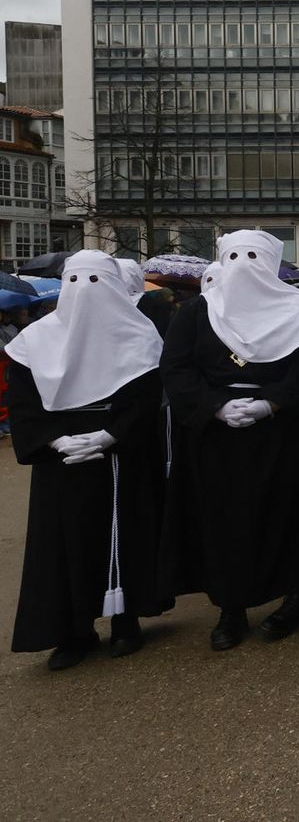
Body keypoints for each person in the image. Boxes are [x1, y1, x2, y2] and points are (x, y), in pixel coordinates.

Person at [159, 231, 299, 650]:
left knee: (284, 513)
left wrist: (271, 403)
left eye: (253, 255)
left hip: (280, 430)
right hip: (216, 435)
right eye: (233, 255)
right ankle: (230, 607)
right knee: (223, 519)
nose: (243, 263)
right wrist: (215, 405)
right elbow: (177, 369)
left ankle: (293, 598)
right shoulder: (197, 312)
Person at [5, 251, 168, 670]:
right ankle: (73, 631)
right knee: (64, 543)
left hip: (119, 455)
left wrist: (110, 434)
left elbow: (146, 398)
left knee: (124, 533)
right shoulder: (34, 341)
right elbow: (24, 404)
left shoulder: (138, 334)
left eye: (95, 280)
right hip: (62, 461)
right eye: (75, 281)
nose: (85, 291)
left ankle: (126, 621)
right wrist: (55, 441)